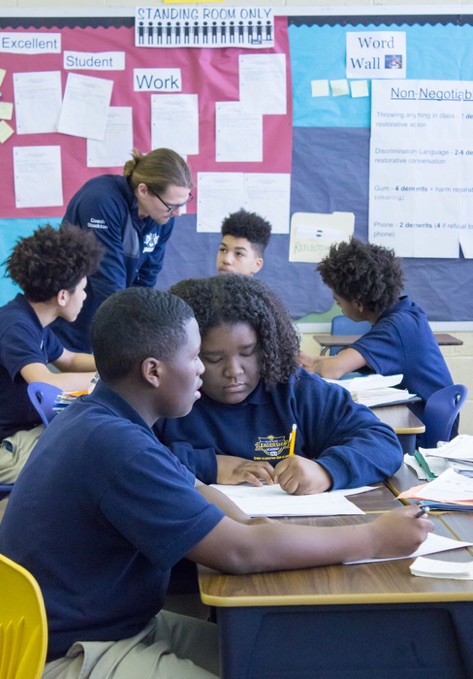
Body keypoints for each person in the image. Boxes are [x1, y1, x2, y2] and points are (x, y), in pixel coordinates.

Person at [0, 286, 433, 679]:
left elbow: (231, 517)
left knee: (285, 659)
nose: (209, 374)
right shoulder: (118, 446)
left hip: (116, 624)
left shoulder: (102, 418)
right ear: (153, 371)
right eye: (197, 358)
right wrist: (375, 538)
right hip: (64, 653)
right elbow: (241, 552)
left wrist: (264, 526)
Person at [155, 274, 404, 494]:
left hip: (293, 533)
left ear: (267, 347)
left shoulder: (293, 389)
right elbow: (124, 455)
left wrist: (327, 471)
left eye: (248, 353)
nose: (233, 371)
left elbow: (383, 442)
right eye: (213, 358)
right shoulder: (166, 397)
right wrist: (212, 465)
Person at [52, 147, 193, 353]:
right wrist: (134, 334)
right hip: (71, 321)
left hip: (113, 317)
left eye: (185, 202)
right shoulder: (100, 200)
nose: (179, 213)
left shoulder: (163, 216)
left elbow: (146, 277)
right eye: (172, 205)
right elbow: (108, 279)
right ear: (143, 190)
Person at [299, 239, 454, 425]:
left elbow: (332, 370)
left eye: (339, 302)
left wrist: (315, 366)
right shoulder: (406, 312)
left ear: (358, 303)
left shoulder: (395, 328)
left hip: (420, 426)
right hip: (422, 415)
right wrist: (309, 360)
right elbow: (343, 362)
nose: (338, 307)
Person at [0, 223, 103, 483]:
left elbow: (68, 359)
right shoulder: (15, 325)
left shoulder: (31, 319)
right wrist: (105, 378)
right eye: (82, 289)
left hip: (25, 431)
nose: (85, 296)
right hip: (8, 445)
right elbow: (43, 382)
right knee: (94, 464)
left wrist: (115, 364)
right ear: (62, 296)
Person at [216, 208, 271, 275]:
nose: (227, 260)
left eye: (239, 254)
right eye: (223, 250)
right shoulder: (202, 285)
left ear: (257, 265)